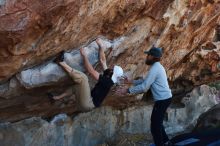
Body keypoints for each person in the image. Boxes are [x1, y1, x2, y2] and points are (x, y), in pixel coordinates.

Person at [116, 47, 173, 146]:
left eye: (148, 55)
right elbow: (145, 81)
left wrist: (127, 90)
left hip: (162, 100)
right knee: (157, 123)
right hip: (165, 98)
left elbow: (144, 87)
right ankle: (166, 142)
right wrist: (130, 81)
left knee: (155, 126)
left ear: (152, 56)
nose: (146, 57)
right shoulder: (157, 67)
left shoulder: (155, 68)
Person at [49, 38, 124, 111]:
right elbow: (103, 61)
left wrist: (84, 56)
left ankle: (61, 62)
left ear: (112, 73)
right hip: (86, 103)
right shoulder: (109, 75)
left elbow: (91, 71)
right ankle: (56, 98)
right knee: (77, 86)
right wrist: (101, 46)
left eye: (113, 69)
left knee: (83, 78)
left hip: (87, 104)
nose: (111, 67)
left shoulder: (108, 82)